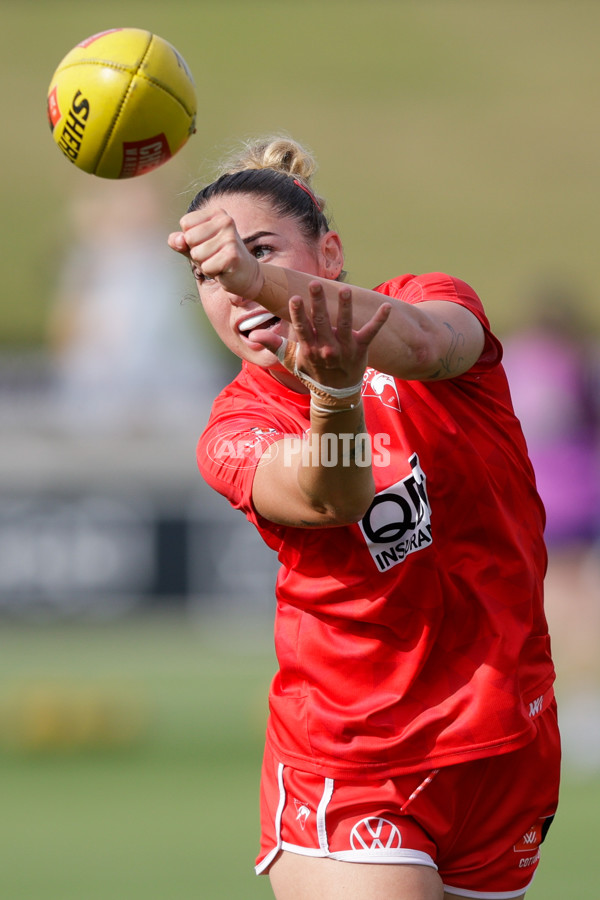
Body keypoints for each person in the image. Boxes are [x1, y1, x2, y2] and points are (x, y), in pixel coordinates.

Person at [168, 137, 560, 900]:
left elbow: (423, 343)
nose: (235, 288)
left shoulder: (431, 299)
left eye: (257, 253)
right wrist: (335, 397)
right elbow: (331, 498)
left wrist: (263, 283)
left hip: (505, 744)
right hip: (354, 760)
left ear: (330, 253)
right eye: (210, 275)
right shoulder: (234, 427)